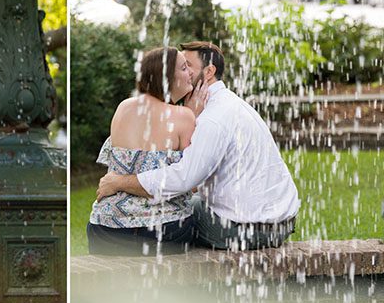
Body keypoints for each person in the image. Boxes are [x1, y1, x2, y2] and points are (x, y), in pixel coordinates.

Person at [97, 41, 300, 251]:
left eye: (188, 66)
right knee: (185, 204)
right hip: (270, 222)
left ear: (209, 71)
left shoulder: (213, 117)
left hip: (248, 230)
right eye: (181, 66)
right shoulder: (228, 103)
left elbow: (185, 178)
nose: (184, 72)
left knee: (176, 212)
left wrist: (119, 182)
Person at [87, 46, 197, 255]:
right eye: (184, 68)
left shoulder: (124, 107)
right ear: (166, 79)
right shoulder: (185, 116)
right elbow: (192, 184)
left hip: (105, 228)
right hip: (161, 231)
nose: (190, 73)